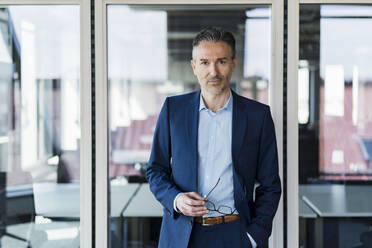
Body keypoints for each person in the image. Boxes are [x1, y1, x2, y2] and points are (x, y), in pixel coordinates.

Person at [146, 27, 281, 248]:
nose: (213, 72)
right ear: (194, 66)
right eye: (205, 62)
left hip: (236, 235)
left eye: (221, 61)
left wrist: (255, 236)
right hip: (182, 236)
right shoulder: (173, 110)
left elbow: (270, 185)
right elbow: (155, 170)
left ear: (234, 64)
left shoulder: (258, 116)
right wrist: (176, 199)